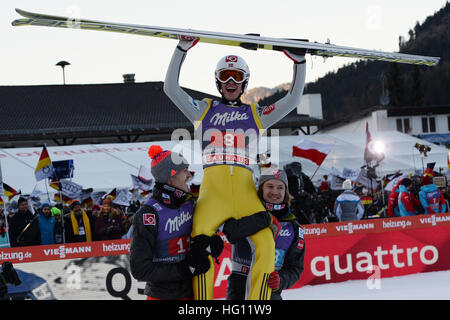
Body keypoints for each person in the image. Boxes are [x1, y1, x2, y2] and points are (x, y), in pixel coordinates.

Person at [164, 36, 307, 300]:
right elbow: (171, 89)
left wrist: (299, 62)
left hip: (245, 195)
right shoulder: (202, 110)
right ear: (218, 81)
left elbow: (293, 99)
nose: (231, 82)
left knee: (265, 244)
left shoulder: (257, 114)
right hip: (212, 195)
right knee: (201, 251)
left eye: (237, 76)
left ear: (244, 82)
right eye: (226, 76)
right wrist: (182, 49)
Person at [130, 145, 222, 300]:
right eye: (185, 170)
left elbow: (206, 241)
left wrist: (211, 245)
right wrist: (186, 269)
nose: (189, 175)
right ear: (171, 176)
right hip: (162, 296)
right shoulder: (149, 214)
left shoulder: (190, 204)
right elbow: (140, 269)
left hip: (193, 292)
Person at [224, 168, 305, 300]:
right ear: (261, 189)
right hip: (239, 291)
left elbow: (295, 268)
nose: (275, 192)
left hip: (270, 292)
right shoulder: (245, 213)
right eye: (269, 186)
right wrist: (263, 219)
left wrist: (281, 280)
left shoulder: (293, 226)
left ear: (285, 192)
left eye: (280, 187)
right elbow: (232, 232)